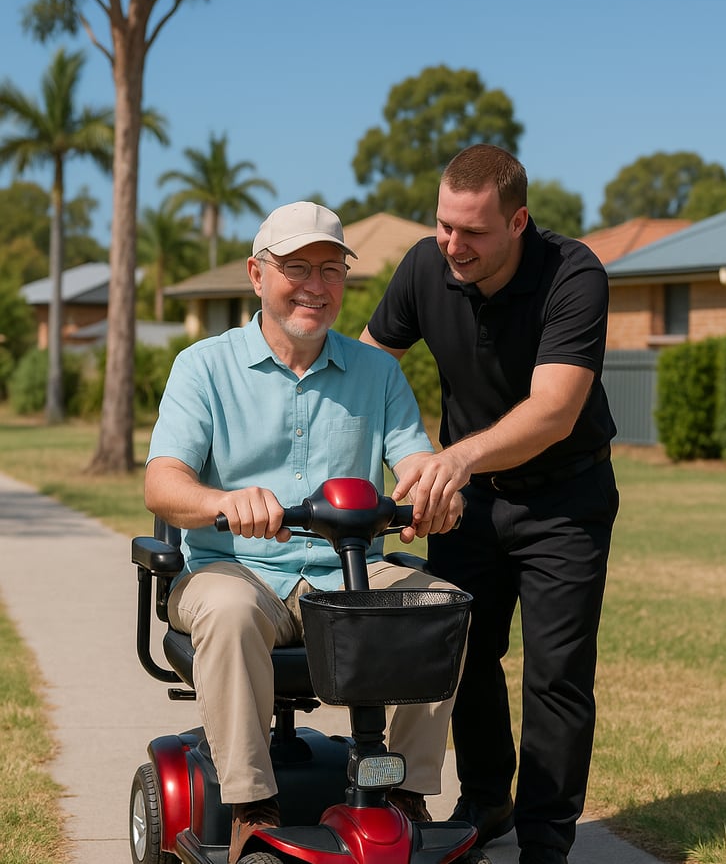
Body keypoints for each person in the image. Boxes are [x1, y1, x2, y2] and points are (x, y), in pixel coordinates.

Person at [144, 201, 465, 864]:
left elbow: (412, 466)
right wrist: (225, 502)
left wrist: (433, 495)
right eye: (296, 268)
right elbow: (163, 484)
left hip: (344, 578)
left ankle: (402, 796)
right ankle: (251, 807)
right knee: (230, 609)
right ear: (257, 274)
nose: (315, 285)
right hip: (232, 571)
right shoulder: (203, 366)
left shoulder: (378, 373)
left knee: (435, 602)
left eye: (330, 269)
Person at [360, 144, 620, 864]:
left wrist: (457, 456)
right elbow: (368, 365)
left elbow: (554, 410)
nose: (452, 244)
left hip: (565, 499)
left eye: (471, 231)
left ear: (517, 222)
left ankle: (543, 840)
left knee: (556, 672)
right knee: (463, 650)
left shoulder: (573, 274)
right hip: (467, 503)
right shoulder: (423, 266)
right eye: (444, 225)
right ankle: (485, 798)